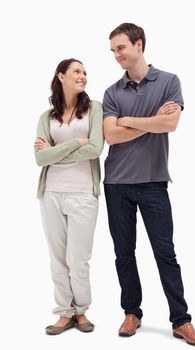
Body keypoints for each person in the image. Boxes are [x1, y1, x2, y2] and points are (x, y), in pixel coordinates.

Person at [103, 23, 195, 346]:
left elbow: (171, 123)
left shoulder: (169, 81)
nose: (117, 55)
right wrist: (151, 122)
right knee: (124, 253)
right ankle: (132, 312)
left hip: (153, 182)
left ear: (138, 44)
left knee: (165, 253)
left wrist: (129, 120)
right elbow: (110, 135)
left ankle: (181, 321)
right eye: (113, 51)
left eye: (121, 48)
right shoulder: (111, 92)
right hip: (116, 183)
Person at [34, 58, 104, 335]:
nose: (83, 76)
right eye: (77, 71)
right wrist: (76, 142)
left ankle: (82, 311)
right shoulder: (46, 116)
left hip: (84, 193)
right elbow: (40, 158)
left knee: (78, 258)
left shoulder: (94, 109)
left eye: (85, 72)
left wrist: (56, 151)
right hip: (51, 192)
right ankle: (64, 313)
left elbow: (96, 149)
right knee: (57, 257)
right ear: (61, 76)